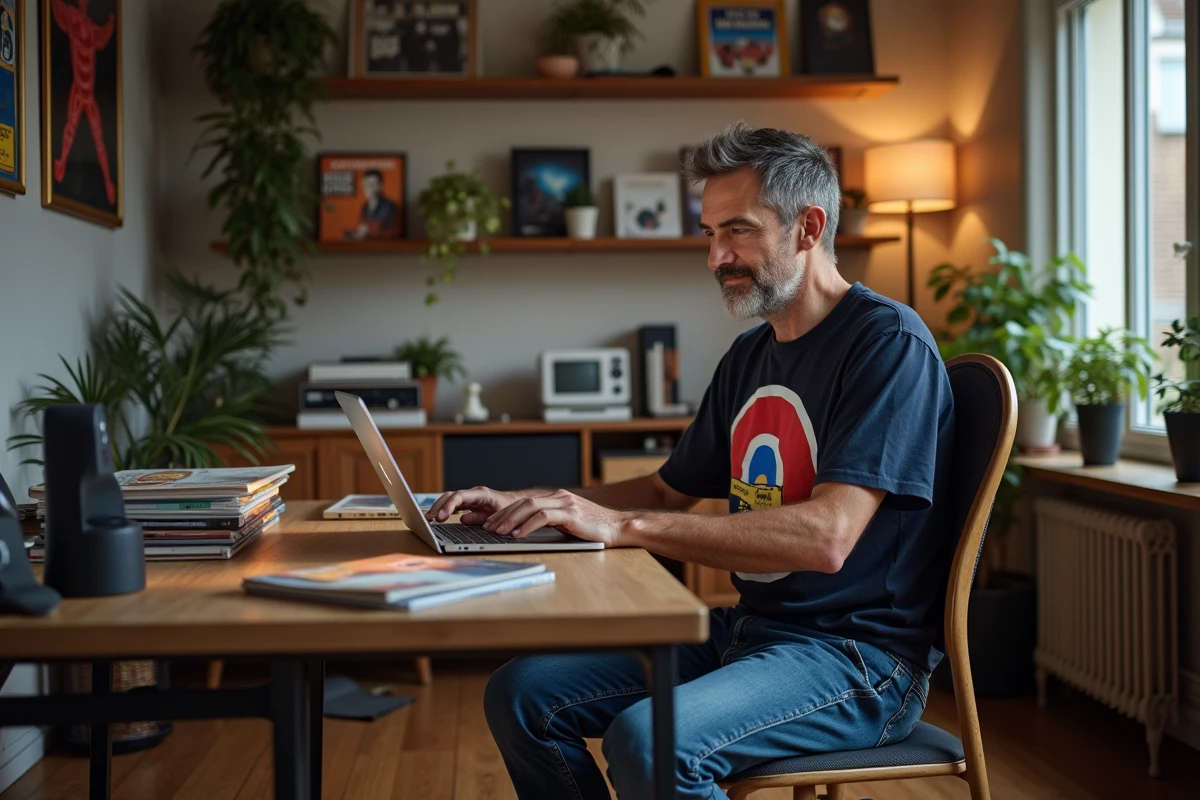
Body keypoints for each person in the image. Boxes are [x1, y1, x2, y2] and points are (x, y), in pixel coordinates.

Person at [428, 122, 955, 800]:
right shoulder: (751, 355)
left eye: (737, 231)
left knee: (650, 743)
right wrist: (533, 502)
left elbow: (827, 538)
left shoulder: (888, 343)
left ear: (808, 226)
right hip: (748, 631)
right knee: (522, 695)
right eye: (709, 234)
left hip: (856, 659)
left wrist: (621, 527)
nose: (715, 257)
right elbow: (666, 490)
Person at [348, 169, 399, 240]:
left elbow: (393, 233)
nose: (368, 188)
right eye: (366, 184)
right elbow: (361, 226)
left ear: (380, 186)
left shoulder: (389, 206)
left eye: (372, 184)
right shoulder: (364, 207)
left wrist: (369, 230)